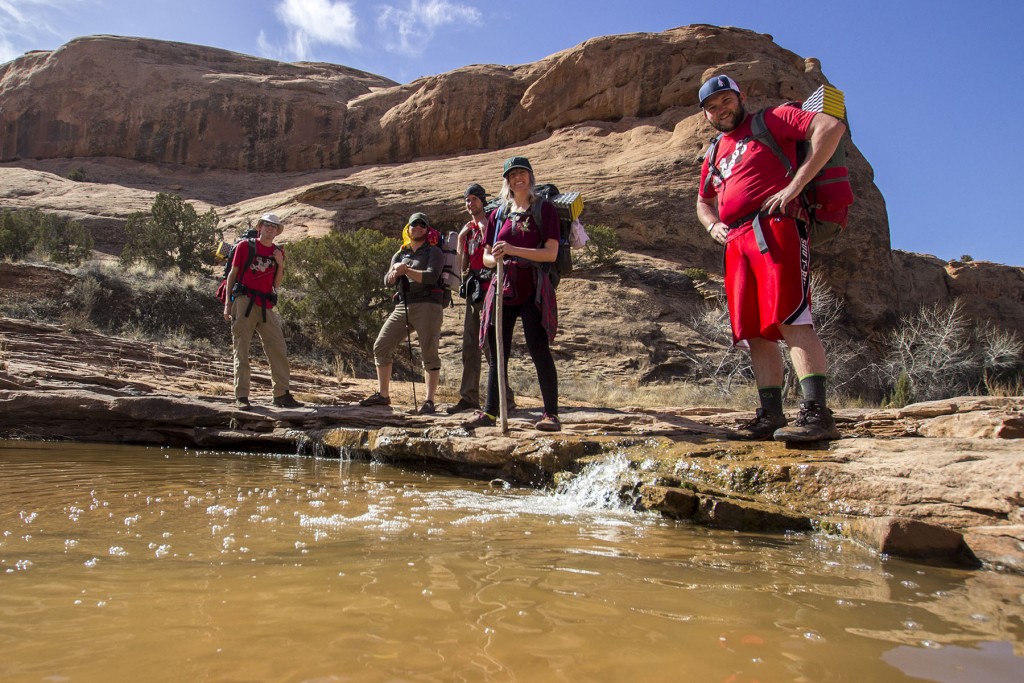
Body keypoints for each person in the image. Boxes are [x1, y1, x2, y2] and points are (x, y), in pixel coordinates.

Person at [695, 74, 845, 442]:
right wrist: (713, 225)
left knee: (792, 317)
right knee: (754, 333)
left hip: (776, 226)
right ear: (706, 116)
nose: (721, 110)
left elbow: (830, 126)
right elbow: (703, 201)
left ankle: (816, 414)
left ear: (740, 96)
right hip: (737, 241)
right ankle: (771, 415)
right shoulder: (715, 151)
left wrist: (796, 185)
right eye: (712, 108)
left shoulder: (771, 119)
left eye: (726, 101)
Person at [463, 157, 561, 432]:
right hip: (502, 288)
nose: (518, 178)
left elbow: (550, 253)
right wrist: (498, 257)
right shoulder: (499, 214)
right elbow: (485, 258)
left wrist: (513, 251)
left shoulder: (545, 210)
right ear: (506, 180)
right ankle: (490, 412)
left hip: (532, 287)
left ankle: (551, 414)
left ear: (530, 177)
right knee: (497, 351)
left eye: (522, 173)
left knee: (538, 348)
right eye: (512, 174)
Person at [360, 212, 444, 414]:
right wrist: (395, 272)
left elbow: (432, 276)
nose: (418, 227)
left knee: (429, 352)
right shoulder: (399, 254)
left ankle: (429, 401)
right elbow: (387, 281)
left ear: (427, 229)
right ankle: (383, 395)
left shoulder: (434, 252)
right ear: (408, 228)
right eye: (414, 224)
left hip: (428, 305)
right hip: (403, 305)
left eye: (422, 224)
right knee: (381, 346)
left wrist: (406, 271)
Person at [222, 212, 302, 409]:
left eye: (273, 227)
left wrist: (280, 264)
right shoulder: (245, 246)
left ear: (277, 232)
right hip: (244, 301)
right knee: (241, 349)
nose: (269, 229)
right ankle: (241, 396)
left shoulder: (278, 252)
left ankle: (281, 394)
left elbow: (276, 283)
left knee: (278, 347)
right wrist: (227, 303)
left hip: (265, 305)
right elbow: (232, 275)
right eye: (266, 225)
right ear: (260, 227)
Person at [447, 183, 514, 414]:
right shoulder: (468, 230)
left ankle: (505, 397)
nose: (470, 203)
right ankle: (468, 398)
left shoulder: (491, 223)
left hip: (490, 289)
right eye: (467, 200)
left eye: (474, 199)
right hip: (473, 289)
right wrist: (461, 239)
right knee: (469, 345)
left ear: (483, 201)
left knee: (490, 345)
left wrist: (482, 228)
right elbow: (461, 265)